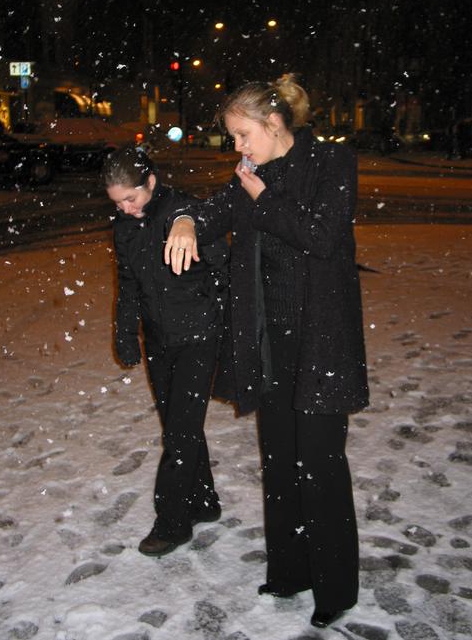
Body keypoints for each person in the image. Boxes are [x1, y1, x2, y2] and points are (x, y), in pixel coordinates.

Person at [164, 74, 369, 628]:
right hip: (269, 344)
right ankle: (290, 570)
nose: (238, 147)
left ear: (274, 124)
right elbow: (213, 212)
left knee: (320, 465)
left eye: (242, 135)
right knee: (278, 461)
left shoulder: (331, 163)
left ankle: (334, 587)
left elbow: (322, 236)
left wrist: (264, 196)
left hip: (320, 340)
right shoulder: (250, 175)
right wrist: (184, 220)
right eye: (234, 137)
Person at [102, 145, 228, 557]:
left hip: (198, 337)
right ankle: (204, 500)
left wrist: (220, 322)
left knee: (179, 432)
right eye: (117, 202)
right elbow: (128, 283)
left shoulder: (183, 214)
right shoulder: (125, 227)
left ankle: (172, 522)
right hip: (158, 339)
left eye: (131, 198)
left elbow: (224, 270)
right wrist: (126, 332)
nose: (125, 209)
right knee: (179, 423)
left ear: (151, 182)